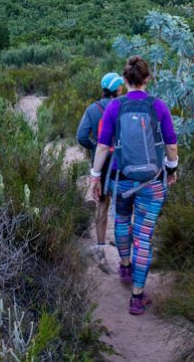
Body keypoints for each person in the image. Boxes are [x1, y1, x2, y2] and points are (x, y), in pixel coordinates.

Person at [89, 56, 178, 315]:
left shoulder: (114, 107)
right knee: (143, 237)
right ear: (147, 79)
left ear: (125, 80)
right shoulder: (158, 106)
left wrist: (95, 176)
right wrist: (171, 169)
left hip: (122, 178)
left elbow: (103, 146)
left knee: (121, 220)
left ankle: (125, 266)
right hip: (152, 182)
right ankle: (137, 298)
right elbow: (171, 146)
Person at [76, 72, 125, 266]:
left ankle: (100, 246)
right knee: (123, 207)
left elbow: (81, 137)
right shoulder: (123, 107)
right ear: (117, 89)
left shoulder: (93, 109)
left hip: (102, 164)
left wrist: (97, 148)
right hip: (122, 163)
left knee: (102, 205)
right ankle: (124, 250)